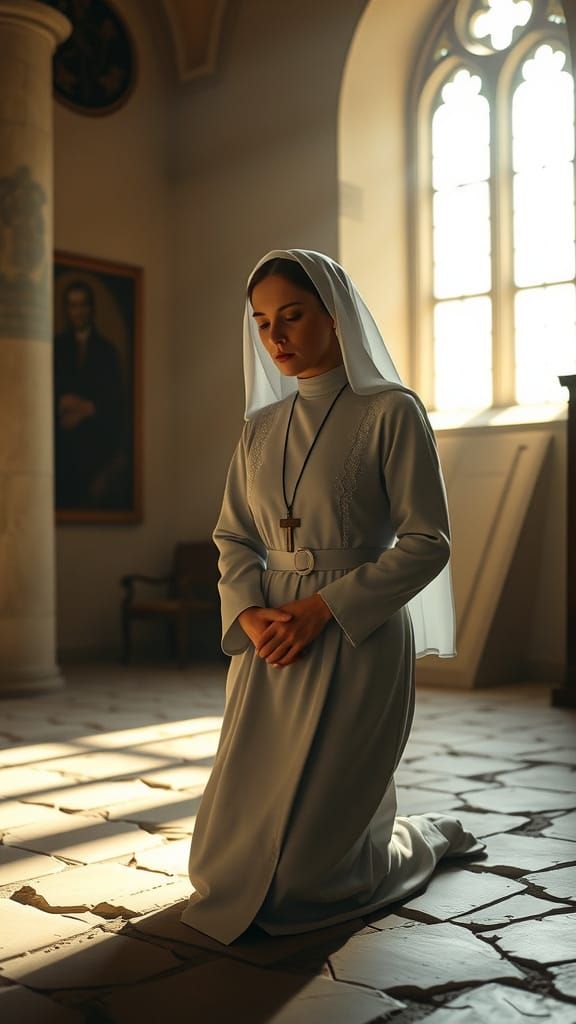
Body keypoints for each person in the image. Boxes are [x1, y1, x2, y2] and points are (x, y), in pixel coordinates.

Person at [181, 248, 483, 946]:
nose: (276, 337)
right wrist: (251, 613)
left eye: (292, 316)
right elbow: (232, 536)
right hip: (270, 642)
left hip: (356, 636)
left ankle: (419, 840)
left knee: (306, 885)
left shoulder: (391, 412)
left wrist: (321, 610)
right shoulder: (259, 429)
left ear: (334, 317)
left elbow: (427, 542)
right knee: (218, 867)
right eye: (261, 323)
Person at [54, 280, 127, 508]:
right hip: (62, 450)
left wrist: (87, 408)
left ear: (91, 309)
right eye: (73, 306)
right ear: (67, 309)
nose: (78, 312)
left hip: (96, 449)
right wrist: (61, 404)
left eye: (83, 305)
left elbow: (115, 402)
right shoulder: (56, 348)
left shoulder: (106, 351)